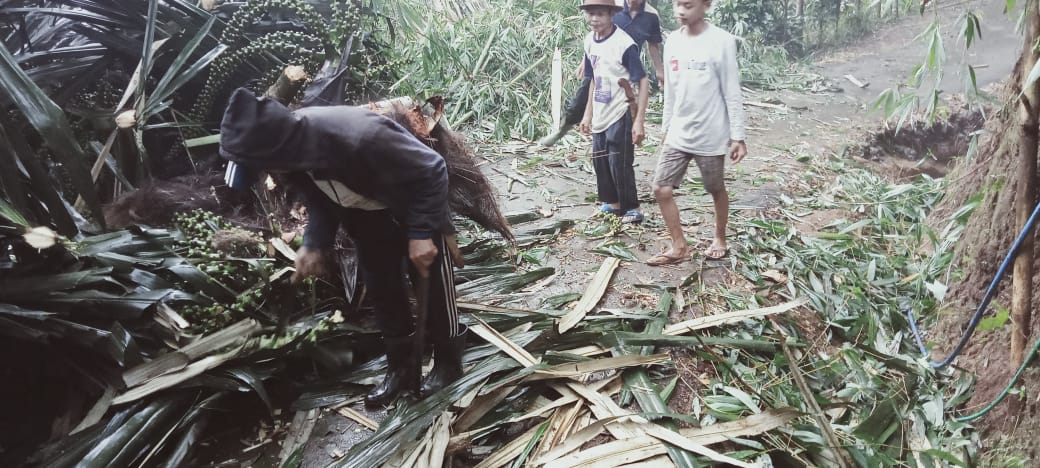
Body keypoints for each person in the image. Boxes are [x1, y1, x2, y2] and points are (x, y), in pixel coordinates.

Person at [218, 87, 467, 407]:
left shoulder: (359, 136)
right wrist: (314, 243)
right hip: (366, 218)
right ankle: (401, 368)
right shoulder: (293, 156)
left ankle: (448, 364)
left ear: (276, 149)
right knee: (383, 289)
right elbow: (320, 198)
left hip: (413, 206)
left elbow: (431, 169)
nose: (266, 174)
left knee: (433, 288)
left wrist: (420, 233)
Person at [647, 0, 747, 266]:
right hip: (679, 131)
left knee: (715, 188)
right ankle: (679, 246)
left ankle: (720, 237)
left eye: (688, 5)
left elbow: (731, 90)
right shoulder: (673, 42)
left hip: (711, 133)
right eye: (677, 4)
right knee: (661, 188)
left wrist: (737, 136)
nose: (681, 11)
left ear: (706, 5)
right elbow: (671, 89)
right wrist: (666, 126)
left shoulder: (722, 41)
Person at [538, 0, 664, 147]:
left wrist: (659, 69)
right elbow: (596, 30)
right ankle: (562, 131)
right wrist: (586, 60)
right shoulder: (613, 6)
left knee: (624, 107)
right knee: (580, 98)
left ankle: (623, 144)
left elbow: (653, 44)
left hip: (626, 69)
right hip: (601, 64)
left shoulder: (651, 16)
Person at [578, 0, 650, 224]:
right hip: (600, 108)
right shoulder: (589, 41)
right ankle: (614, 203)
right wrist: (587, 114)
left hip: (620, 109)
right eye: (590, 14)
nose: (594, 19)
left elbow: (643, 80)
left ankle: (632, 207)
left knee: (619, 161)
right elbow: (593, 79)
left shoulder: (624, 44)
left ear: (611, 14)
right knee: (599, 159)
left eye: (599, 14)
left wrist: (639, 120)